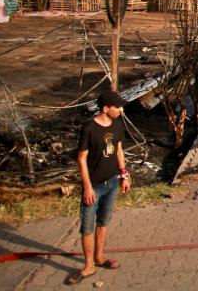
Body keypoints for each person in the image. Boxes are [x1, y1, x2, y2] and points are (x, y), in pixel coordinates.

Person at [67, 90, 131, 285]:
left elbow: (119, 151)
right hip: (94, 186)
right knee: (87, 226)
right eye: (117, 106)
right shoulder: (89, 128)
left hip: (112, 182)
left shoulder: (118, 124)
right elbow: (81, 158)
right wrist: (87, 187)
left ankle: (99, 257)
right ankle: (88, 266)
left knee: (103, 222)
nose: (121, 109)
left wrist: (124, 175)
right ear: (105, 109)